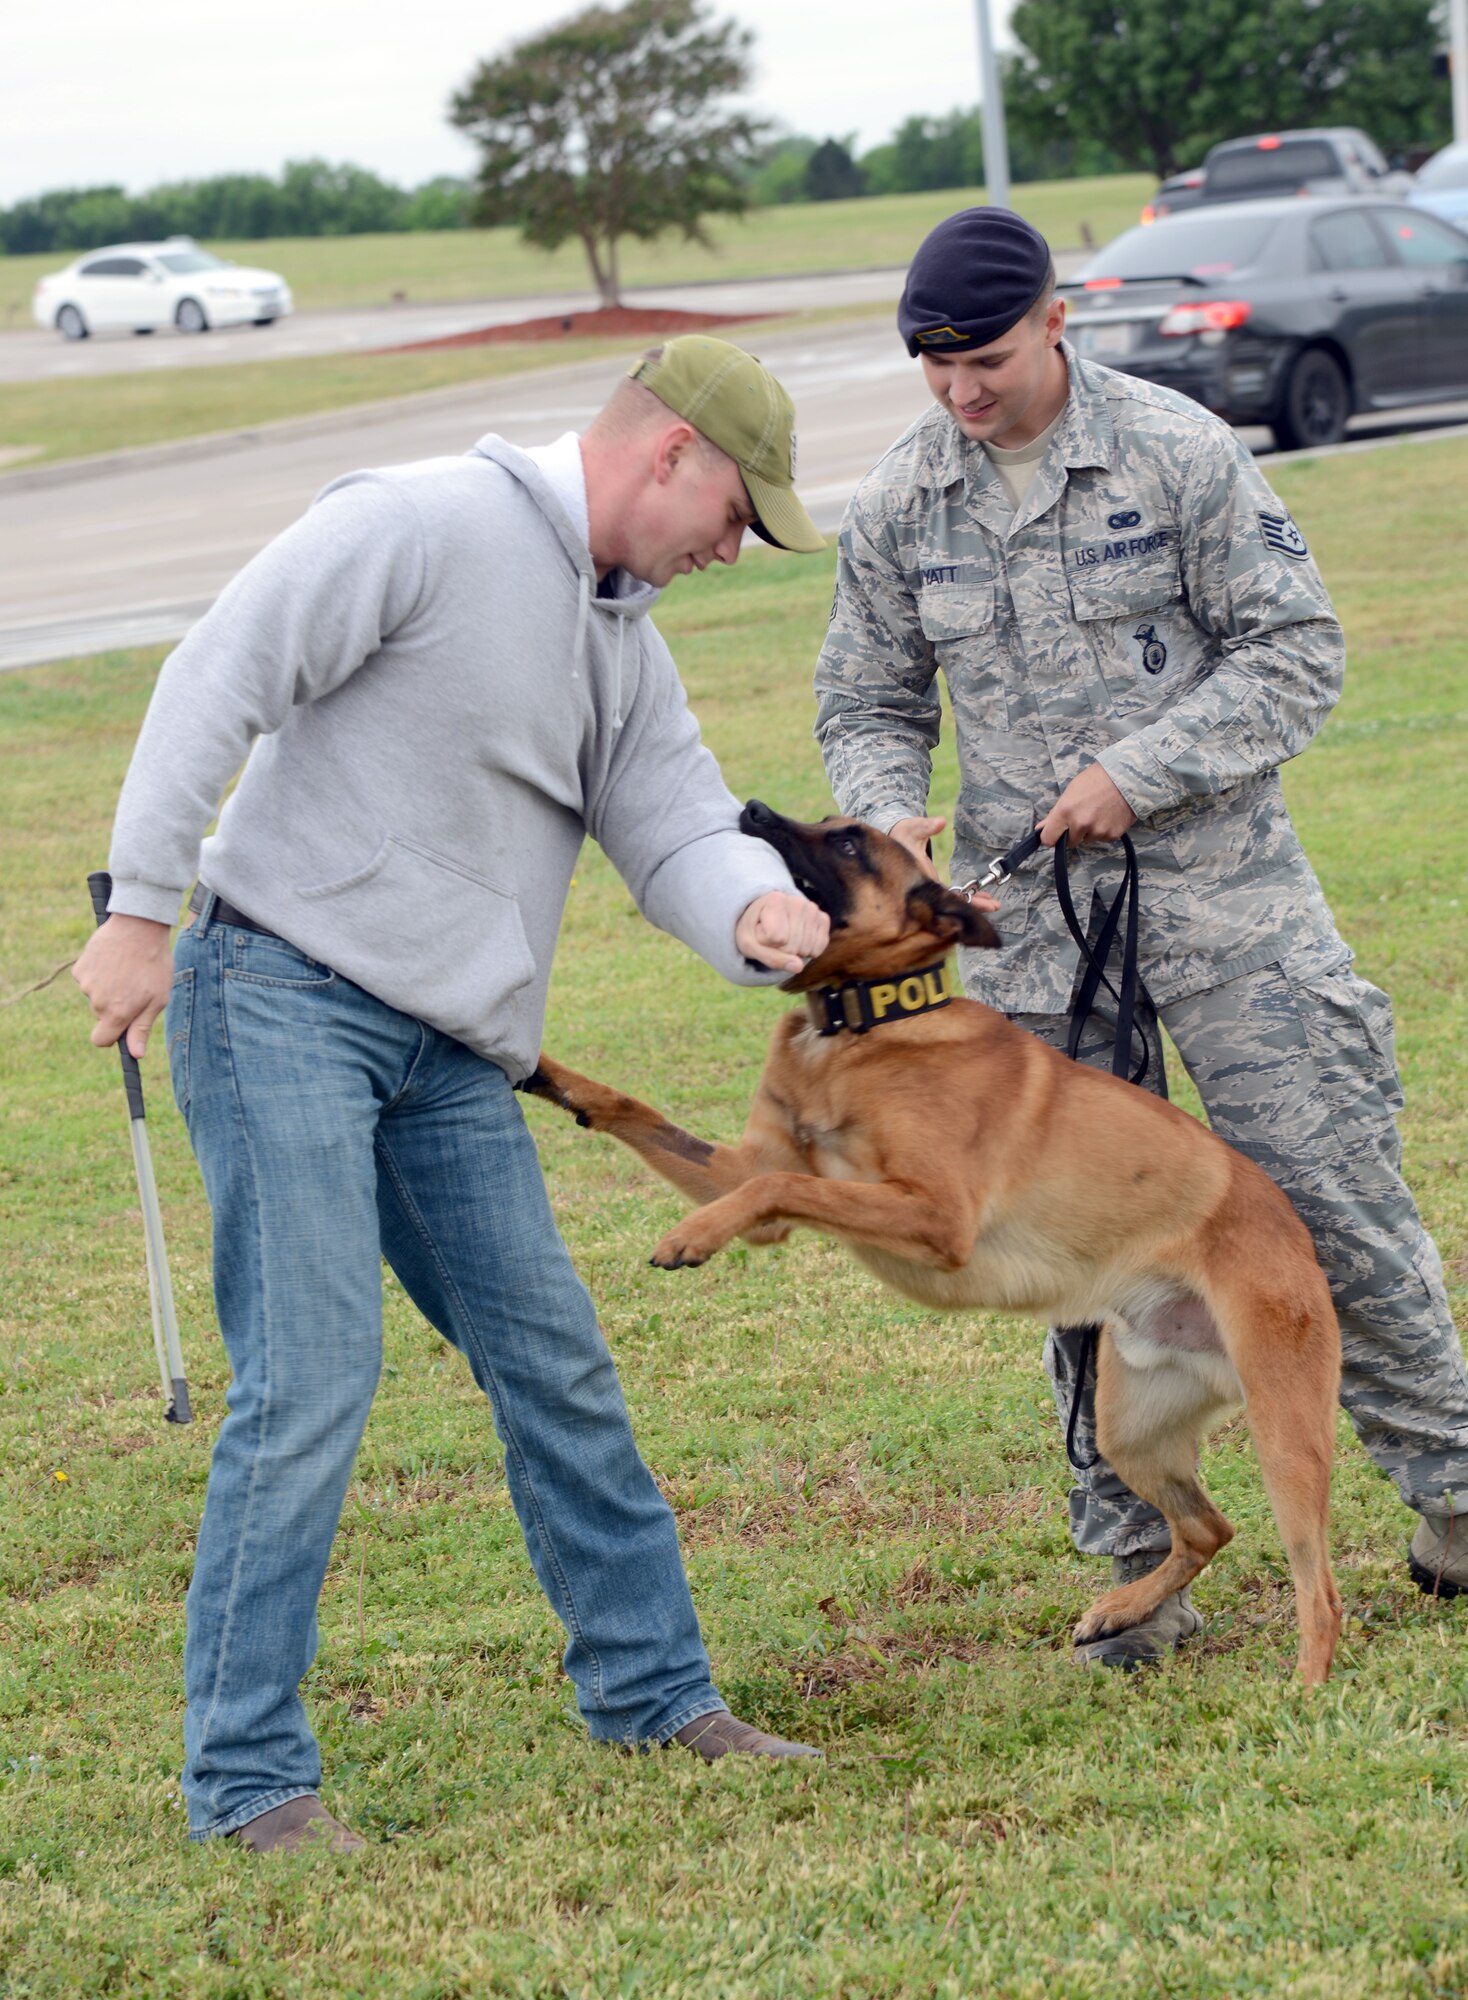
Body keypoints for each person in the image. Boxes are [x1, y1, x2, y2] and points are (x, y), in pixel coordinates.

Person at [73, 336, 833, 1852]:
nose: (730, 549)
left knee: (556, 1365)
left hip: (447, 1055)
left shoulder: (624, 640)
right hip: (276, 993)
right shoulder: (417, 521)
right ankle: (248, 1786)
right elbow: (218, 670)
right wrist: (141, 908)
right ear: (670, 453)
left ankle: (654, 1694)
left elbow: (674, 816)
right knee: (309, 1384)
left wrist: (749, 908)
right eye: (737, 514)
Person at [815, 207, 1468, 1666]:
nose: (956, 392)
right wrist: (887, 815)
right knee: (1065, 1261)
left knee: (1335, 1210)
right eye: (929, 364)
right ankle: (1134, 1562)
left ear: (1056, 320)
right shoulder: (905, 497)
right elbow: (865, 697)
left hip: (1231, 915)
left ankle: (1454, 1498)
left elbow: (1300, 650)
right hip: (1034, 951)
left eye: (979, 359)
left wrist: (1141, 770)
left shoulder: (1176, 451)